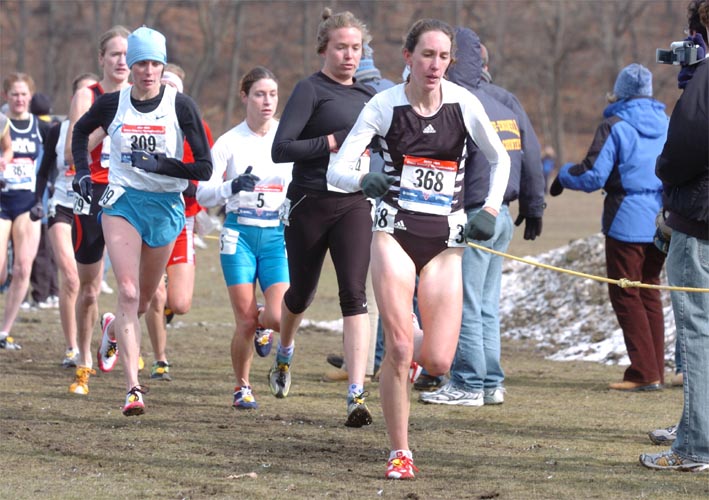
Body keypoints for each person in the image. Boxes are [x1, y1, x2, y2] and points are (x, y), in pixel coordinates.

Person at [327, 18, 510, 479]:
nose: (435, 65)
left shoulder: (463, 103)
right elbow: (337, 172)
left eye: (443, 57)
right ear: (408, 57)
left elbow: (500, 157)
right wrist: (362, 179)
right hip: (393, 234)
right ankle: (400, 451)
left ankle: (406, 340)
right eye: (427, 55)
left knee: (439, 361)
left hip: (446, 243)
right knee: (402, 348)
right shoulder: (384, 106)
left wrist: (487, 209)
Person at [71, 26, 213, 415]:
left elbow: (204, 166)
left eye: (155, 63)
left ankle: (112, 329)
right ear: (130, 67)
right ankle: (133, 389)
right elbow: (81, 132)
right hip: (121, 203)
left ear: (162, 65)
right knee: (129, 292)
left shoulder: (181, 105)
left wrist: (162, 165)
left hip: (166, 206)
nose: (148, 70)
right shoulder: (113, 103)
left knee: (147, 299)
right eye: (141, 63)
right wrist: (83, 173)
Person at [420, 27, 545, 407]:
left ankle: (468, 383)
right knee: (487, 303)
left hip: (474, 214)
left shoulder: (457, 102)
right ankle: (491, 382)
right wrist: (534, 206)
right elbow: (533, 156)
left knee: (466, 302)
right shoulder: (506, 104)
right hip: (502, 215)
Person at [270, 8, 376, 428]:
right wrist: (330, 141)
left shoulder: (369, 97)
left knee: (355, 295)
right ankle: (284, 351)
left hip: (353, 204)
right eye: (341, 48)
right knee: (302, 293)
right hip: (308, 202)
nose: (349, 56)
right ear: (324, 49)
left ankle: (356, 394)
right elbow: (282, 148)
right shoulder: (309, 90)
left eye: (356, 48)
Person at [550, 63, 668, 391]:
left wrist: (562, 175)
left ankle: (644, 374)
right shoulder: (669, 123)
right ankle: (655, 368)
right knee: (649, 290)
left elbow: (592, 175)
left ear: (620, 92)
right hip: (662, 220)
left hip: (626, 219)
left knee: (626, 292)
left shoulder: (614, 124)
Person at [197, 66, 290, 409]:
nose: (267, 101)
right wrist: (229, 187)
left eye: (273, 94)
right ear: (245, 97)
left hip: (276, 238)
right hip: (238, 235)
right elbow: (202, 194)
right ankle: (242, 386)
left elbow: (300, 184)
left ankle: (265, 319)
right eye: (260, 94)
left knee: (279, 319)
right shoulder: (229, 142)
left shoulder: (286, 139)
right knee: (245, 321)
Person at [641, 0, 708, 469]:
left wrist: (664, 170)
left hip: (700, 223)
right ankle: (694, 428)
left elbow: (687, 146)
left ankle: (695, 446)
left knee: (699, 335)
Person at [64, 25, 131, 395]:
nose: (122, 61)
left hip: (128, 195)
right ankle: (83, 364)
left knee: (133, 286)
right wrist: (110, 126)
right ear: (102, 59)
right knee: (88, 289)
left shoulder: (145, 96)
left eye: (127, 54)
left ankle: (113, 332)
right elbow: (68, 153)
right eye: (115, 54)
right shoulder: (87, 95)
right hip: (92, 192)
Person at [323, 42, 394, 385]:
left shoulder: (366, 99)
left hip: (368, 200)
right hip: (394, 201)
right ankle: (370, 359)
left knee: (366, 289)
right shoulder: (394, 90)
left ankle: (366, 365)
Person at [143, 63, 215, 382]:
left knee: (180, 303)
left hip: (183, 218)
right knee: (154, 296)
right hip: (147, 217)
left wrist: (192, 187)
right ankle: (160, 359)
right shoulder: (144, 123)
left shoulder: (196, 125)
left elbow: (207, 169)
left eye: (176, 88)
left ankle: (124, 324)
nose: (170, 92)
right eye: (165, 85)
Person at [30, 72, 99, 367]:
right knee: (70, 278)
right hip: (62, 206)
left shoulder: (108, 129)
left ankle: (87, 344)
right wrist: (36, 200)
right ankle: (71, 348)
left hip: (93, 209)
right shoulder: (59, 131)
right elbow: (45, 169)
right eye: (80, 96)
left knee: (91, 289)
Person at [0, 73, 50, 350]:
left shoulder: (40, 127)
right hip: (1, 200)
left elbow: (50, 161)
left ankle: (4, 331)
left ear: (30, 97)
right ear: (6, 96)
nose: (19, 99)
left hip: (27, 202)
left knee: (23, 268)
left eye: (24, 95)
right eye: (14, 94)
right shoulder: (0, 123)